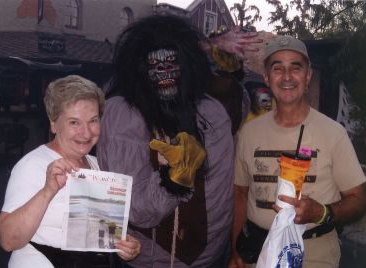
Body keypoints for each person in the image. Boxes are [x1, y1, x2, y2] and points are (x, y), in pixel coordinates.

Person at [96, 15, 260, 268]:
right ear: (141, 69)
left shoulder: (210, 109)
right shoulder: (123, 113)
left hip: (214, 256)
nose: (165, 72)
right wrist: (173, 183)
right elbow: (133, 208)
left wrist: (226, 71)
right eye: (156, 65)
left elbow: (236, 112)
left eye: (172, 62)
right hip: (153, 259)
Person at [229, 35, 366, 268]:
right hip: (256, 250)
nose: (287, 77)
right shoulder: (249, 132)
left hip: (313, 253)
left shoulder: (333, 133)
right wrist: (235, 251)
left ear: (308, 76)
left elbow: (359, 199)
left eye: (296, 67)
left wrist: (323, 212)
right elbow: (240, 195)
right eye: (277, 68)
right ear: (266, 76)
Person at [0, 75, 141, 268]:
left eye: (93, 120)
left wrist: (126, 245)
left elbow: (100, 232)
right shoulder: (34, 165)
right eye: (74, 122)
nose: (86, 132)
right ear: (54, 124)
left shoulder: (98, 165)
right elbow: (8, 240)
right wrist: (48, 191)